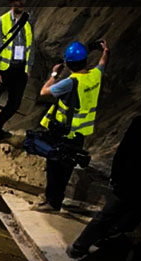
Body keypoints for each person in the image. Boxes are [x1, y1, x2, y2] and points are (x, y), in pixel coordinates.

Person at [34, 40, 110, 212]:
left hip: (63, 131)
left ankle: (51, 202)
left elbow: (44, 92)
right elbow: (102, 64)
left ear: (68, 64)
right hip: (80, 132)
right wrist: (105, 51)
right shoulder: (95, 76)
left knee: (54, 166)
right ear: (85, 62)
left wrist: (54, 75)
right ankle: (56, 200)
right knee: (67, 167)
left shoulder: (71, 82)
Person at [68, 115, 141, 259]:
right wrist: (116, 176)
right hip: (131, 181)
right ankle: (80, 247)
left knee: (127, 222)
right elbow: (124, 150)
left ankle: (102, 245)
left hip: (137, 185)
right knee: (108, 214)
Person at [0, 0, 33, 150]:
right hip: (4, 68)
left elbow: (31, 45)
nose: (21, 4)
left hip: (20, 69)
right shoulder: (2, 21)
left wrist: (28, 67)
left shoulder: (29, 21)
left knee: (14, 103)